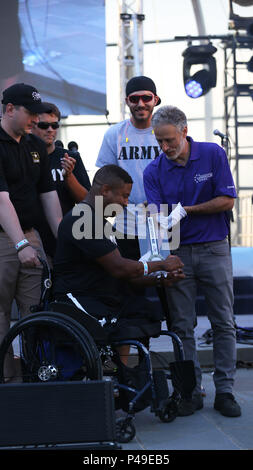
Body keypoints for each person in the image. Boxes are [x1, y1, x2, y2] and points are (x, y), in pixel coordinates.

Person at [143, 105, 241, 418]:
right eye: (160, 141)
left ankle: (225, 390)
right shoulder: (154, 170)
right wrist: (159, 253)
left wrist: (187, 209)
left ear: (185, 131)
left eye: (170, 140)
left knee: (223, 321)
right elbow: (157, 219)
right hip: (178, 253)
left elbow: (227, 199)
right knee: (182, 325)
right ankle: (191, 390)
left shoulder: (212, 154)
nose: (165, 147)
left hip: (214, 247)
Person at [53, 164, 185, 364]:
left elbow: (125, 275)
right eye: (124, 196)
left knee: (144, 310)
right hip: (79, 299)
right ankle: (116, 373)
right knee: (123, 318)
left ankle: (123, 374)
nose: (126, 203)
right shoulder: (82, 219)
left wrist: (159, 279)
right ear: (105, 190)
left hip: (103, 295)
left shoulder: (100, 222)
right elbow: (120, 267)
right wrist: (162, 265)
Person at [0, 83, 63, 380]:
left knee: (35, 311)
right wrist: (21, 243)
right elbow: (1, 199)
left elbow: (48, 196)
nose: (36, 121)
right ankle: (8, 382)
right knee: (1, 315)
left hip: (29, 236)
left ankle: (36, 377)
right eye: (30, 113)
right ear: (10, 109)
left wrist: (63, 239)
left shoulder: (35, 145)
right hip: (5, 239)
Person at [96, 75, 161, 260]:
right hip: (126, 224)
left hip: (163, 222)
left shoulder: (166, 132)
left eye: (146, 98)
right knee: (130, 282)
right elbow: (104, 178)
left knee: (165, 283)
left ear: (155, 99)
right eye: (134, 99)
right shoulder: (114, 134)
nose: (140, 104)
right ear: (127, 102)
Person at [31, 102, 91, 260]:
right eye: (44, 125)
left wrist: (69, 176)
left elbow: (87, 200)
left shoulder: (70, 157)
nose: (50, 130)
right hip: (33, 236)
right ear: (32, 126)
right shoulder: (23, 155)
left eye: (54, 125)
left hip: (64, 235)